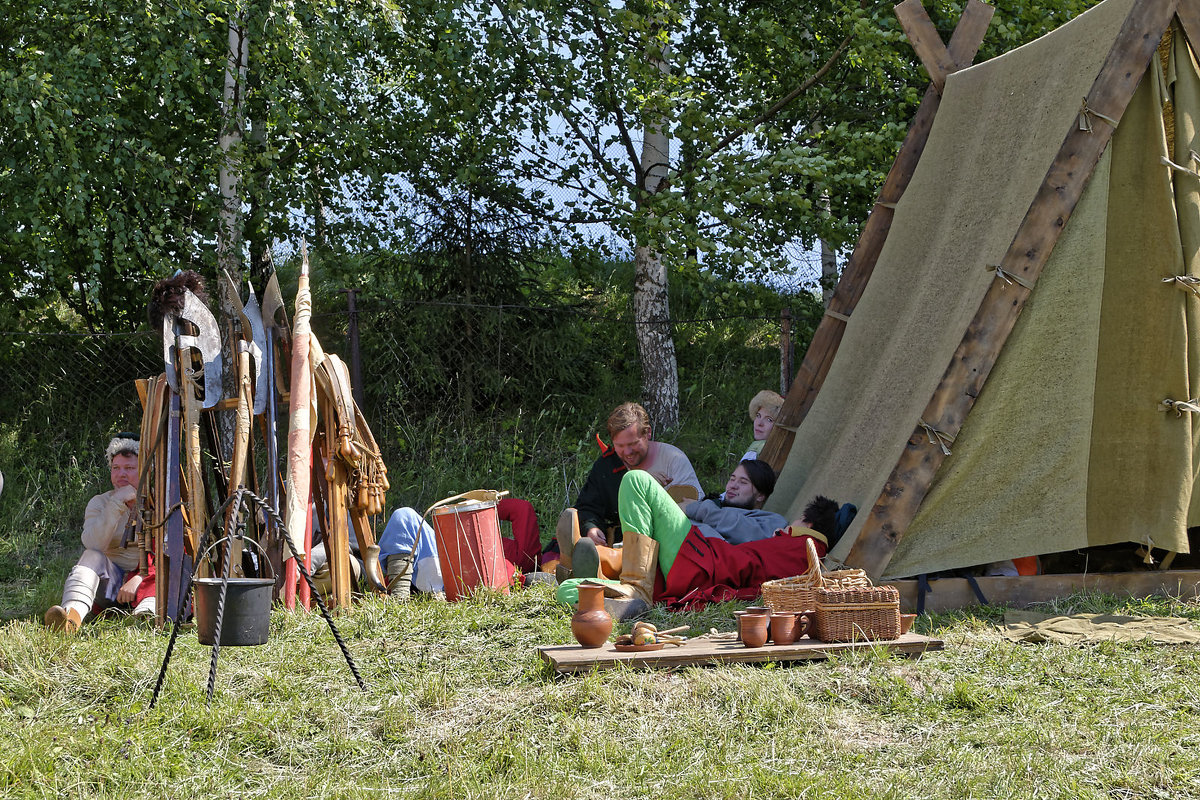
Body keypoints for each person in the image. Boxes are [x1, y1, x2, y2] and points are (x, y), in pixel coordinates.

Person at [610, 470, 837, 610]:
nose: (733, 485)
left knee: (637, 479)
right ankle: (617, 576)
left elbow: (739, 534)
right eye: (732, 478)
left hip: (701, 561)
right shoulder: (798, 552)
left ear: (807, 524)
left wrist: (697, 507)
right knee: (582, 589)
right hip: (696, 561)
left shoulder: (797, 543)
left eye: (743, 481)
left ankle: (636, 587)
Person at [44, 434, 156, 632]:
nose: (121, 474)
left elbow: (169, 551)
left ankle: (148, 617)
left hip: (148, 583)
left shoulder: (160, 502)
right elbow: (95, 544)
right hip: (109, 587)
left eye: (129, 468)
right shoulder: (99, 502)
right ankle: (71, 618)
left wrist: (139, 577)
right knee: (91, 555)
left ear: (145, 470)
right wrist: (116, 503)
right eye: (116, 468)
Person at [563, 401, 701, 556]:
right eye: (620, 446)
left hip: (667, 543)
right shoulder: (607, 465)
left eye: (633, 444)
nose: (627, 452)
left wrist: (652, 492)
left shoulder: (673, 460)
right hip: (617, 544)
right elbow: (587, 507)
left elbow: (695, 509)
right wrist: (591, 528)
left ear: (647, 433)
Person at [742, 389, 784, 461]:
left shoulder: (756, 449)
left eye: (769, 420)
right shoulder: (781, 450)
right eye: (758, 415)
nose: (759, 423)